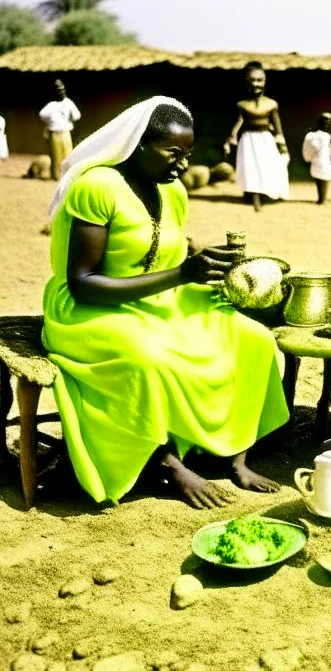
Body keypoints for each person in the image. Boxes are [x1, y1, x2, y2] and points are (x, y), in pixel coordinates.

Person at [42, 96, 289, 508]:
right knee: (148, 357)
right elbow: (83, 282)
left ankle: (232, 455)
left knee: (252, 338)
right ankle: (167, 462)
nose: (182, 164)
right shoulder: (96, 188)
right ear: (139, 144)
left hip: (160, 299)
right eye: (173, 152)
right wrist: (182, 274)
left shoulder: (172, 190)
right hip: (89, 309)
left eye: (187, 154)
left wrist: (209, 264)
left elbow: (165, 251)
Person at [223, 62, 289, 211]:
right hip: (248, 141)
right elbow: (238, 122)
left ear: (265, 81)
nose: (256, 84)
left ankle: (266, 195)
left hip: (266, 140)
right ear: (246, 82)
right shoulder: (242, 105)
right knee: (250, 168)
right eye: (252, 80)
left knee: (268, 167)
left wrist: (281, 141)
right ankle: (253, 197)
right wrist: (231, 139)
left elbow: (277, 125)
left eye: (260, 80)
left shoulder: (271, 104)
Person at [39, 78, 81, 179]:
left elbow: (77, 115)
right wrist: (51, 122)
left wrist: (71, 118)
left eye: (62, 89)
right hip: (55, 133)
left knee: (68, 155)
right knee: (56, 156)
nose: (61, 91)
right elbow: (42, 115)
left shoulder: (68, 102)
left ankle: (67, 176)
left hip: (66, 132)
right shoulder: (51, 105)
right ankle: (56, 176)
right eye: (58, 90)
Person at [302, 112, 331, 204]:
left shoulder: (326, 136)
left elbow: (328, 146)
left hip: (324, 160)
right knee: (320, 177)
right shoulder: (311, 136)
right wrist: (309, 157)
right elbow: (307, 148)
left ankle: (322, 198)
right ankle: (322, 199)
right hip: (317, 160)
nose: (327, 123)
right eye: (325, 120)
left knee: (325, 176)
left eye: (329, 121)